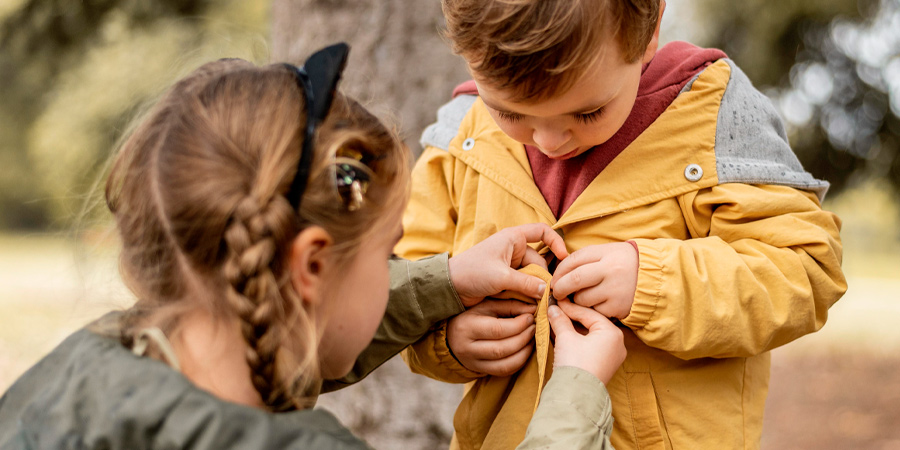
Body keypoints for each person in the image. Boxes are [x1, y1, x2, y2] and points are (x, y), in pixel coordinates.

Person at [0, 44, 625, 450]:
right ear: (312, 264)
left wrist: (447, 280)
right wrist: (574, 392)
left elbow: (288, 322)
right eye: (388, 255)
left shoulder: (81, 373)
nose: (393, 269)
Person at [396, 0, 848, 449]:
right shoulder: (459, 137)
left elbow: (805, 268)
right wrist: (448, 341)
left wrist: (651, 282)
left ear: (648, 31)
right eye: (509, 113)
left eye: (588, 112)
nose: (550, 141)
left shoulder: (712, 115)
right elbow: (403, 286)